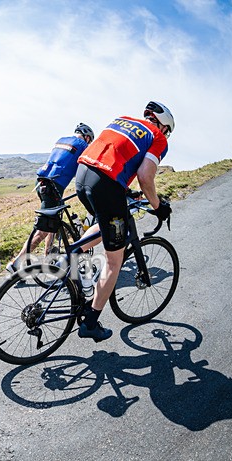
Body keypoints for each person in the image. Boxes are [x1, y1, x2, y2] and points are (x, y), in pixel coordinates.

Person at [75, 101, 174, 341]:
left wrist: (124, 191)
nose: (166, 135)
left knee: (106, 222)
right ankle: (90, 322)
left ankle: (70, 260)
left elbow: (115, 154)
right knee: (114, 261)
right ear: (164, 126)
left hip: (83, 176)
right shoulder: (158, 137)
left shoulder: (123, 119)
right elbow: (145, 176)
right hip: (106, 184)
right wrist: (158, 207)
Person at [8, 123, 95, 272]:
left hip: (41, 182)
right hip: (53, 187)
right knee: (42, 229)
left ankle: (48, 253)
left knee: (54, 221)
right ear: (87, 137)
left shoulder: (62, 140)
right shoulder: (82, 145)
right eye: (90, 141)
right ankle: (16, 263)